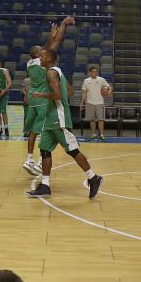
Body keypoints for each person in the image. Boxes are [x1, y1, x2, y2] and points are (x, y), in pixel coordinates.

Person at [26, 47, 101, 199]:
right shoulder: (57, 72)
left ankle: (93, 178)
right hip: (49, 117)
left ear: (50, 59)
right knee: (44, 150)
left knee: (72, 150)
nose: (40, 56)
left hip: (58, 118)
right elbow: (70, 91)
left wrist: (40, 94)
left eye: (43, 54)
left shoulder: (51, 72)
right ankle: (45, 186)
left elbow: (58, 94)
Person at [23, 17, 74, 176]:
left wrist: (52, 36)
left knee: (33, 131)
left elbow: (50, 44)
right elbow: (54, 44)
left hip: (32, 100)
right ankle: (39, 162)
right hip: (43, 100)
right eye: (41, 51)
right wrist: (61, 27)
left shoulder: (29, 64)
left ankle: (30, 159)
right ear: (39, 54)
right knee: (47, 130)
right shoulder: (41, 62)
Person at [80, 66, 111, 141]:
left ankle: (102, 134)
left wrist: (108, 93)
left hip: (99, 102)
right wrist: (82, 103)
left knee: (101, 119)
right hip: (89, 102)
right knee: (92, 119)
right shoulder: (86, 81)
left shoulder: (101, 80)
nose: (95, 73)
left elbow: (109, 87)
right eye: (93, 71)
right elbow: (84, 92)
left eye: (96, 71)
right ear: (90, 72)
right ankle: (93, 134)